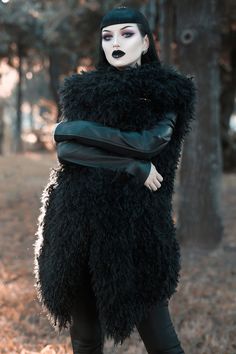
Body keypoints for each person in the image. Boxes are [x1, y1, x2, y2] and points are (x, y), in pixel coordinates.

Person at [33, 6, 197, 354]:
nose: (115, 42)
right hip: (77, 227)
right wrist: (132, 166)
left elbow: (148, 143)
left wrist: (69, 129)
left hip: (139, 229)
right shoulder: (81, 92)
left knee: (161, 340)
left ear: (145, 41)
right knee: (85, 338)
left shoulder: (168, 92)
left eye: (126, 34)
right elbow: (68, 154)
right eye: (108, 36)